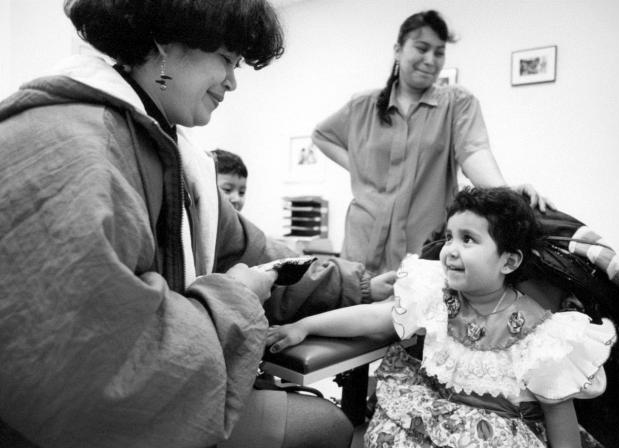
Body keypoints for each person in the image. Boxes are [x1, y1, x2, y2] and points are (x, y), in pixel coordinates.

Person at [0, 1, 396, 447]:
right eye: (226, 59)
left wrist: (360, 286)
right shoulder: (76, 150)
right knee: (325, 427)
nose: (232, 81)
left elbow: (257, 253)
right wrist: (237, 299)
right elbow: (98, 376)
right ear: (164, 43)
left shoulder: (173, 153)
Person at [267, 187, 615, 448]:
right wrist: (304, 325)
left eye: (468, 239)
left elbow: (561, 426)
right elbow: (376, 317)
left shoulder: (542, 337)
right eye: (449, 237)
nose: (450, 249)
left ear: (508, 262)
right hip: (426, 420)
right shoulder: (435, 294)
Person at [312, 10, 553, 275]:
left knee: (414, 310)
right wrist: (359, 168)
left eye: (439, 52)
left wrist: (504, 193)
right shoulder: (363, 105)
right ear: (398, 50)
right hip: (361, 242)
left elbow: (474, 152)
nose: (430, 60)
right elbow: (322, 136)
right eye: (422, 48)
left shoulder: (457, 103)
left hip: (423, 248)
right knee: (355, 309)